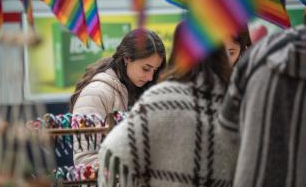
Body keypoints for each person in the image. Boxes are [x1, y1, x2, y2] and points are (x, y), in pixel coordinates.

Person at [97, 22, 238, 187]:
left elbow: (114, 148)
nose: (150, 77)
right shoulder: (236, 98)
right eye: (146, 69)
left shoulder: (160, 98)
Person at [219, 24, 306, 187]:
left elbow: (226, 134)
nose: (226, 60)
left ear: (243, 48)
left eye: (231, 52)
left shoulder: (258, 57)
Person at [70, 28, 166, 166]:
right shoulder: (96, 93)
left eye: (154, 70)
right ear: (127, 58)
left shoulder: (140, 89)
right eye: (146, 68)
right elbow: (85, 161)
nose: (150, 77)